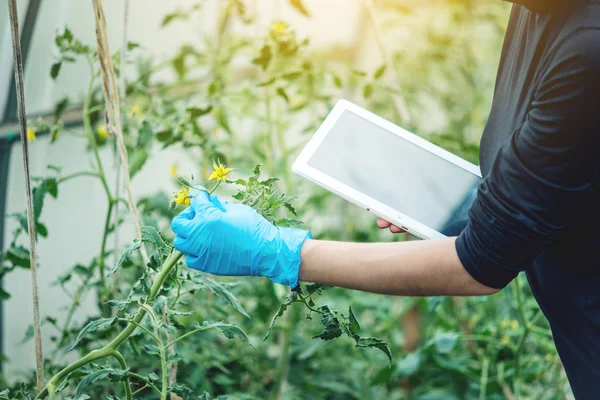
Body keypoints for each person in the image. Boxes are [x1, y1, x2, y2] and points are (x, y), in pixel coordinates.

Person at [171, 0, 600, 397]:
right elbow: (555, 172)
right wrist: (466, 212)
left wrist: (277, 251)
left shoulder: (587, 47)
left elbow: (482, 265)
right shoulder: (540, 9)